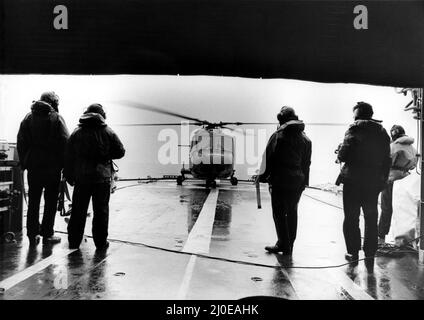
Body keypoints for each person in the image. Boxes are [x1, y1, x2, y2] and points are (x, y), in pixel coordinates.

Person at [64, 104, 125, 250]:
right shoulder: (107, 131)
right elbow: (121, 152)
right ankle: (100, 243)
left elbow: (68, 156)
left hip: (82, 178)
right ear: (102, 115)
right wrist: (105, 155)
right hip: (101, 178)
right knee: (101, 211)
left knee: (78, 211)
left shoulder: (77, 132)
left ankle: (73, 242)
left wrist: (69, 176)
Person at [336, 102, 391, 264]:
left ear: (358, 116)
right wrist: (383, 180)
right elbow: (387, 159)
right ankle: (370, 252)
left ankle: (353, 252)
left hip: (353, 181)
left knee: (351, 217)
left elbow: (344, 154)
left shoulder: (354, 129)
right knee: (371, 216)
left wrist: (340, 151)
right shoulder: (382, 132)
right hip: (373, 182)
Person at [257, 106, 312, 256]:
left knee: (279, 213)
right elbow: (307, 163)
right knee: (292, 212)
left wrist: (261, 176)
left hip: (280, 180)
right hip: (297, 181)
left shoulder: (278, 136)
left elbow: (268, 158)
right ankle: (290, 245)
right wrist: (304, 182)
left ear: (281, 120)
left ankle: (283, 244)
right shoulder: (306, 139)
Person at [17, 91, 69, 246]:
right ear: (54, 102)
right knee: (51, 201)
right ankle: (47, 234)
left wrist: (25, 163)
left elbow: (21, 141)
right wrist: (64, 165)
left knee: (33, 200)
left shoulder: (28, 118)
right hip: (52, 166)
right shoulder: (57, 118)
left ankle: (32, 234)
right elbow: (66, 142)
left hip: (33, 166)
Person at [378, 125, 418, 245]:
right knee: (403, 211)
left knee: (386, 208)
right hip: (405, 181)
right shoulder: (412, 147)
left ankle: (381, 237)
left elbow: (384, 162)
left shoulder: (392, 146)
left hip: (390, 179)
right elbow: (414, 164)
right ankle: (405, 240)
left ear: (393, 135)